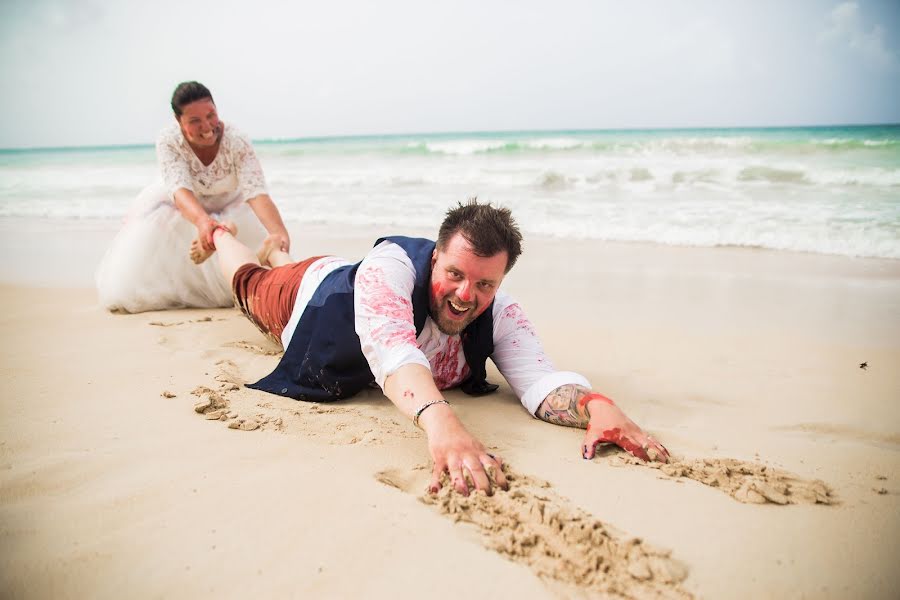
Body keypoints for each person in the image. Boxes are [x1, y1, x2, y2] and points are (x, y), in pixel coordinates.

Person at [208, 200, 669, 496]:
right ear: (435, 256)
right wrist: (443, 425)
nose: (466, 294)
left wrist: (596, 405)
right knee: (247, 285)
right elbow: (393, 351)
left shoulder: (501, 312)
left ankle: (274, 249)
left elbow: (540, 382)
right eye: (454, 274)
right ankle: (222, 236)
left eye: (484, 283)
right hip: (308, 295)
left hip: (342, 280)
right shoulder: (391, 268)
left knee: (266, 271)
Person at [95, 81, 291, 313]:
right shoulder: (169, 141)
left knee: (255, 252)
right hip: (182, 204)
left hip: (228, 202)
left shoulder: (236, 140)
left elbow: (256, 192)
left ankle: (225, 237)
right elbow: (179, 189)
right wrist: (203, 222)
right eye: (195, 121)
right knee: (138, 276)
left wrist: (279, 233)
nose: (207, 126)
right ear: (179, 121)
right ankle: (213, 240)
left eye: (211, 115)